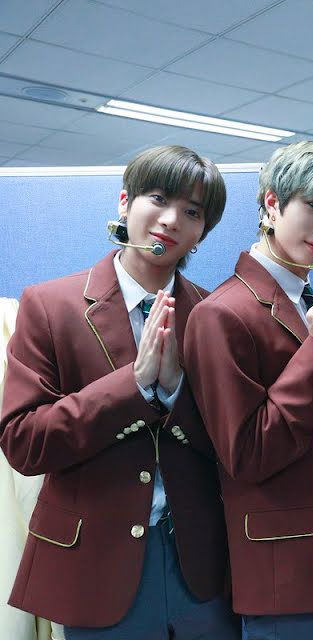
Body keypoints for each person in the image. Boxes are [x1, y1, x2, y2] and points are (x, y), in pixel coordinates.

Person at [0, 145, 236, 638]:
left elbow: (231, 444)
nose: (171, 220)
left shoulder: (214, 313)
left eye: (192, 212)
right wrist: (132, 384)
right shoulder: (50, 306)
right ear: (125, 202)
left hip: (198, 561)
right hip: (93, 564)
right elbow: (24, 443)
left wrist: (174, 390)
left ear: (202, 232)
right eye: (159, 198)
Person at [183, 141, 313, 640]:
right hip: (287, 579)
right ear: (272, 203)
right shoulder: (220, 314)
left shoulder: (309, 302)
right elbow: (248, 454)